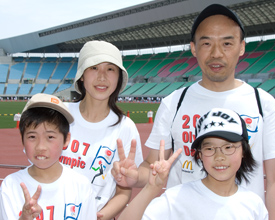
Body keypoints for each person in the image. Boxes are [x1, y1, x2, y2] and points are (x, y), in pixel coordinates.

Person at [111, 3, 275, 218]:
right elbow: (152, 166)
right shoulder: (174, 102)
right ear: (194, 48)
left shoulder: (264, 103)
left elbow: (272, 181)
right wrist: (135, 177)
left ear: (242, 47)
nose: (217, 53)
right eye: (206, 43)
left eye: (227, 43)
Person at [118, 108, 268, 220]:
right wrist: (151, 189)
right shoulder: (177, 198)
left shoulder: (254, 204)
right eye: (209, 148)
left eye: (228, 147)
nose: (219, 156)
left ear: (244, 151)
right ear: (200, 155)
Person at [60, 40, 143, 220]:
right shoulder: (60, 115)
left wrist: (99, 216)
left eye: (110, 69)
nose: (102, 77)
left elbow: (123, 192)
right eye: (94, 68)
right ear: (82, 75)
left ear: (118, 77)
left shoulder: (125, 128)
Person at [0, 93, 97, 219]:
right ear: (22, 139)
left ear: (66, 139)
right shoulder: (11, 186)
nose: (40, 146)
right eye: (32, 137)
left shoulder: (81, 186)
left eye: (50, 137)